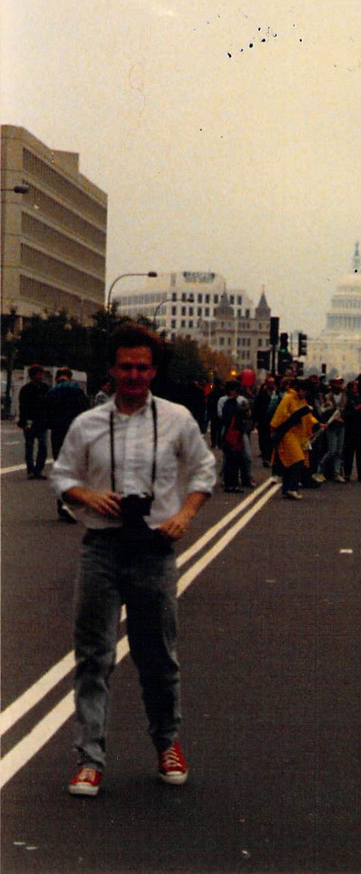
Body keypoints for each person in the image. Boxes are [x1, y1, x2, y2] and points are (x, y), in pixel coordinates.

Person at [50, 324, 216, 797]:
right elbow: (62, 476)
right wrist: (88, 495)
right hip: (102, 548)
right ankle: (89, 759)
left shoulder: (177, 419)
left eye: (142, 367)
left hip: (154, 548)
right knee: (93, 655)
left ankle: (167, 743)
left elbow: (204, 471)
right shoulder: (88, 424)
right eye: (125, 367)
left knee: (157, 654)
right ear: (111, 369)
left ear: (154, 370)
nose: (134, 376)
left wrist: (185, 515)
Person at [47, 367, 90, 521]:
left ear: (57, 378)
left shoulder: (52, 392)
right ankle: (72, 501)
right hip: (74, 432)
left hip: (57, 432)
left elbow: (45, 411)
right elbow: (86, 410)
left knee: (60, 466)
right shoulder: (78, 392)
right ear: (70, 377)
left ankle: (62, 502)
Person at [270, 379, 319, 499]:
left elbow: (308, 417)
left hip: (298, 435)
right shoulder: (288, 398)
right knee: (298, 460)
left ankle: (287, 489)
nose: (305, 394)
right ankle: (292, 488)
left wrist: (316, 423)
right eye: (305, 391)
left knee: (290, 462)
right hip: (288, 434)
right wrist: (294, 417)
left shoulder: (302, 401)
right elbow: (280, 415)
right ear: (300, 389)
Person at [18, 363, 50, 479]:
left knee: (43, 447)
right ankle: (30, 470)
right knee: (29, 447)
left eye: (41, 374)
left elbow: (49, 406)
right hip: (30, 421)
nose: (40, 376)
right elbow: (22, 407)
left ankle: (39, 470)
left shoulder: (46, 388)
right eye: (38, 374)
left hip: (42, 421)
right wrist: (24, 423)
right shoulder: (26, 390)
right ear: (32, 376)